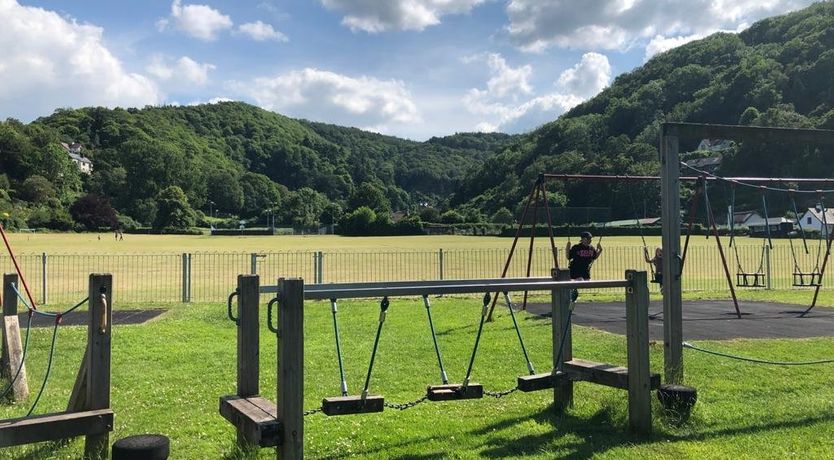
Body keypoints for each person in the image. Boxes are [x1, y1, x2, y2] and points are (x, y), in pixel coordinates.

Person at [565, 231, 603, 301]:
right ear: (582, 239)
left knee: (587, 282)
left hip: (585, 270)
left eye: (590, 239)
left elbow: (594, 257)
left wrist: (600, 250)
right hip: (575, 269)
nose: (590, 240)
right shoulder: (576, 247)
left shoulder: (591, 248)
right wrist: (567, 248)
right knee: (579, 280)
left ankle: (573, 292)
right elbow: (568, 257)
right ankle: (571, 293)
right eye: (588, 239)